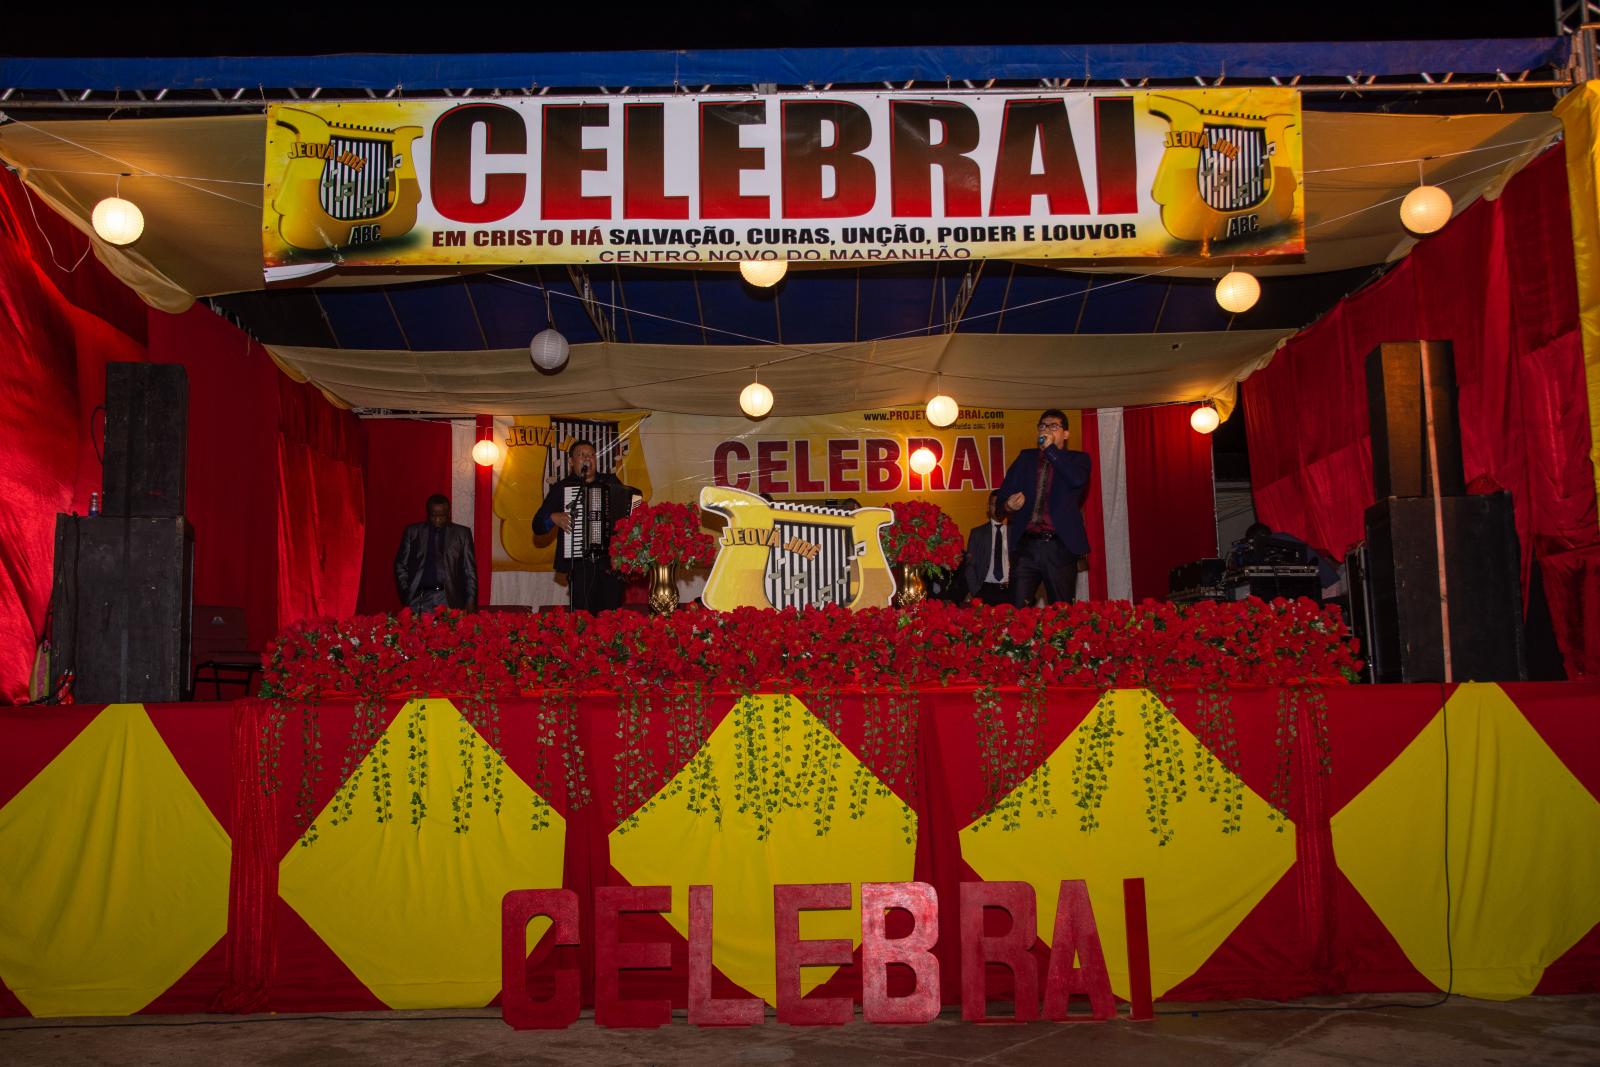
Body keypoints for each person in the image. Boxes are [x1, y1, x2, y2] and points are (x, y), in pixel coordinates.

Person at [996, 408, 1092, 606]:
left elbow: (1076, 479)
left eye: (1054, 426)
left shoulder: (1078, 459)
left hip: (1059, 546)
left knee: (1061, 612)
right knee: (1016, 610)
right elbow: (1000, 500)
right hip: (1026, 547)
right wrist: (1008, 505)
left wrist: (1050, 450)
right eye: (1043, 426)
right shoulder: (1025, 458)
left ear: (1066, 434)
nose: (1046, 430)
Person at [534, 440, 637, 613]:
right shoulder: (562, 488)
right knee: (583, 621)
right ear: (571, 462)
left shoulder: (610, 482)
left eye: (591, 455)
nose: (587, 458)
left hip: (610, 565)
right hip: (580, 566)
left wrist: (621, 549)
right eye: (581, 455)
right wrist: (552, 517)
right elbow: (537, 525)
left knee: (612, 620)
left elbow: (631, 508)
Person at [394, 494, 477, 612]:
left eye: (442, 516)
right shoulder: (413, 532)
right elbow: (400, 565)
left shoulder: (462, 534)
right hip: (419, 598)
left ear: (448, 513)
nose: (438, 519)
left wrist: (471, 601)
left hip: (449, 598)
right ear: (428, 513)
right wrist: (407, 591)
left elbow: (470, 571)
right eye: (434, 515)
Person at [961, 490, 1013, 606]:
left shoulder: (1015, 532)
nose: (998, 508)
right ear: (989, 507)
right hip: (985, 589)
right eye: (994, 505)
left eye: (1001, 505)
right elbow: (970, 565)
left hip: (1010, 590)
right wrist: (976, 591)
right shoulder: (977, 533)